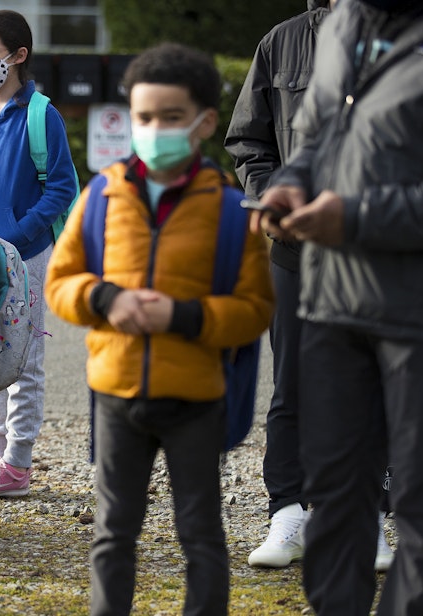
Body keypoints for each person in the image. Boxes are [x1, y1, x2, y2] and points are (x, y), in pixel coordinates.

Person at [45, 43, 274, 615]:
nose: (155, 129)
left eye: (171, 118)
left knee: (200, 531)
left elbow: (253, 309)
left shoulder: (230, 210)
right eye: (144, 117)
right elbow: (61, 283)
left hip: (197, 397)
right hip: (117, 394)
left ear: (204, 122)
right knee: (113, 530)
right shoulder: (101, 195)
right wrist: (103, 298)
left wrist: (185, 316)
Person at [256, 0, 423, 612]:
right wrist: (293, 181)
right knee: (335, 493)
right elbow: (317, 137)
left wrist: (356, 217)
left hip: (422, 313)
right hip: (331, 302)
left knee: (422, 502)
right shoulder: (340, 26)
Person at [224, 0, 394, 572]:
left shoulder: (415, 37)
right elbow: (248, 139)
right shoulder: (282, 41)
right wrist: (274, 197)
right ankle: (288, 509)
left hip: (385, 249)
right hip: (298, 251)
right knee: (293, 383)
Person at [0, 10, 78, 497]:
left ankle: (18, 463)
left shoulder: (41, 114)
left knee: (23, 358)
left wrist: (20, 235)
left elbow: (62, 188)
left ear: (17, 55)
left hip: (25, 256)